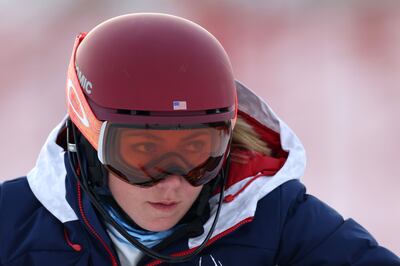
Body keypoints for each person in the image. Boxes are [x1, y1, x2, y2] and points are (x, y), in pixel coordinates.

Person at [0, 13, 399, 266]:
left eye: (198, 152)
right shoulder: (13, 224)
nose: (173, 182)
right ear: (88, 142)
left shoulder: (271, 220)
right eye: (142, 153)